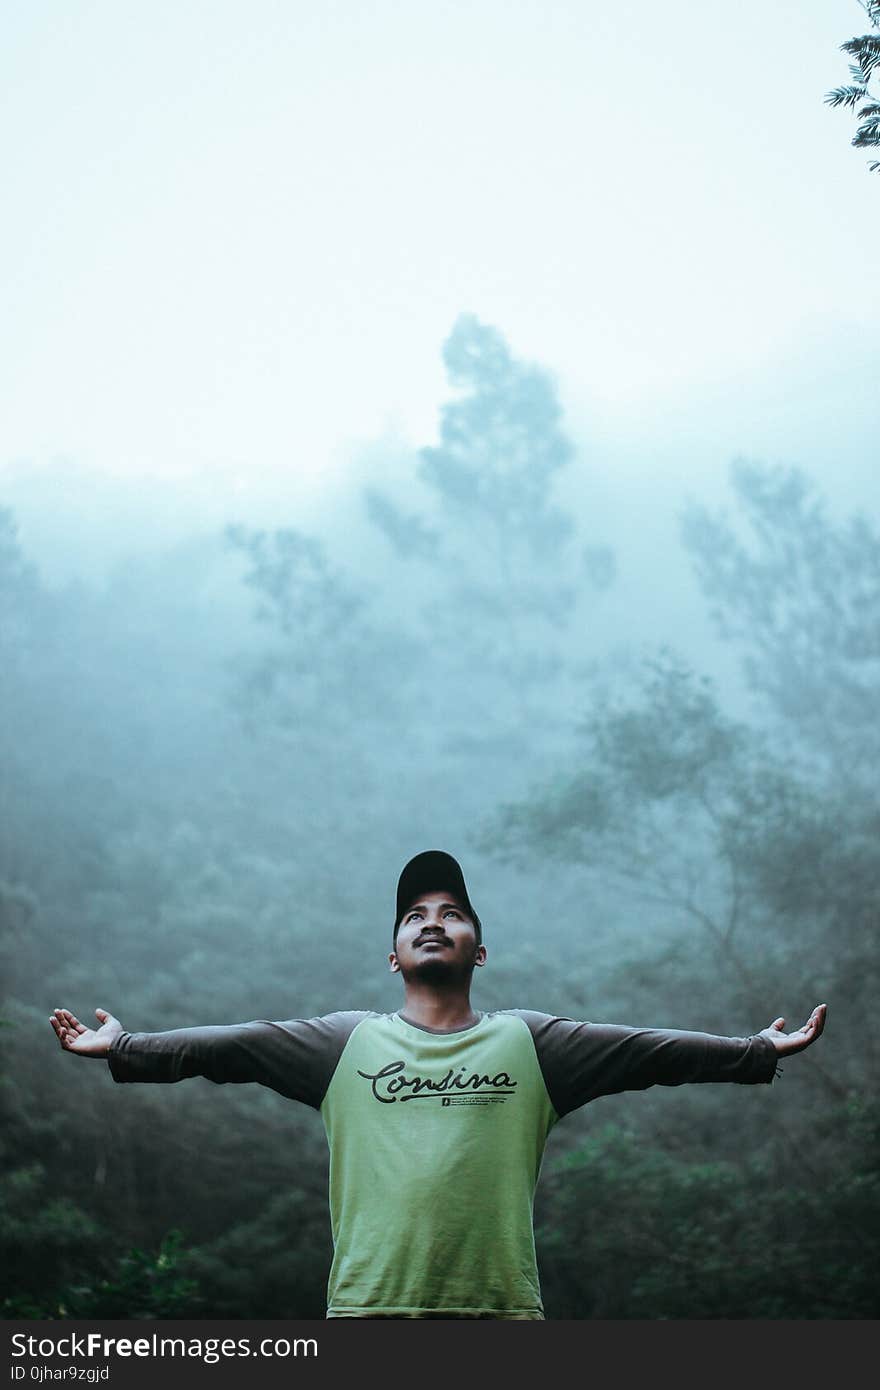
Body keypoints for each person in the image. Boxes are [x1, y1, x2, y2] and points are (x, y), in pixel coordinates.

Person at [50, 849, 827, 1320]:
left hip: (500, 1313)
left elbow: (649, 1052)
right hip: (366, 1311)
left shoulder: (533, 1044)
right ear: (393, 954)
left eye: (452, 913)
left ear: (478, 950)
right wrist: (129, 1046)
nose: (432, 921)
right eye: (415, 915)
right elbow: (237, 1046)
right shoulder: (343, 1044)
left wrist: (754, 1051)